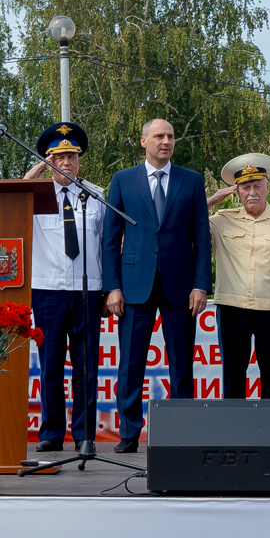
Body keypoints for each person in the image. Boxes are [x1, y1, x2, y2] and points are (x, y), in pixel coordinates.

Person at [101, 119, 213, 454]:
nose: (166, 141)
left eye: (170, 137)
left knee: (182, 365)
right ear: (144, 141)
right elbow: (110, 239)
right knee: (131, 363)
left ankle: (181, 433)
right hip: (135, 285)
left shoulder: (191, 181)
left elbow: (201, 237)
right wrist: (113, 287)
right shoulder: (123, 180)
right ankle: (129, 433)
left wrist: (201, 285)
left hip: (180, 286)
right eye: (159, 136)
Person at [20, 123, 109, 453]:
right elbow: (11, 197)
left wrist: (109, 289)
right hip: (47, 291)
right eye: (59, 157)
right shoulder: (35, 195)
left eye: (72, 156)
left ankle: (85, 434)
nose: (67, 163)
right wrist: (36, 172)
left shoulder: (96, 196)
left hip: (88, 291)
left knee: (86, 367)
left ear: (80, 160)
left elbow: (107, 245)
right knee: (51, 365)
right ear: (48, 160)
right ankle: (51, 433)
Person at [208, 152, 270, 404]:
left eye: (257, 185)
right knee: (233, 375)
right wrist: (210, 202)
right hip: (233, 307)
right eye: (245, 187)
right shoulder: (221, 221)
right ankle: (234, 435)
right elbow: (184, 224)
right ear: (237, 192)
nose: (252, 192)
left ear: (267, 186)